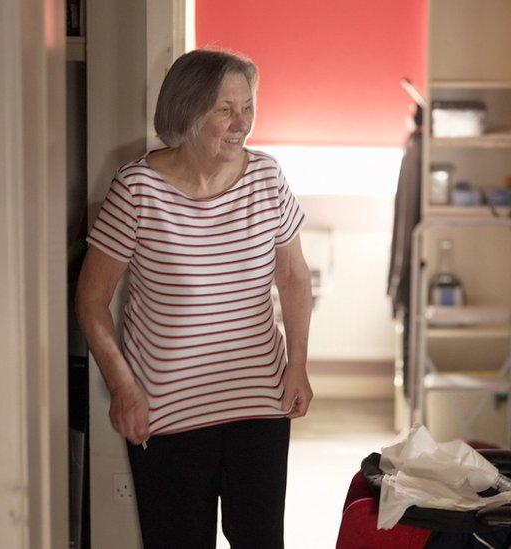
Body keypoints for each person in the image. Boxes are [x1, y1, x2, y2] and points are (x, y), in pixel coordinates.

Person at [76, 49, 313, 549]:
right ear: (186, 111)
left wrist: (298, 365)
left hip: (258, 403)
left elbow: (292, 277)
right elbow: (91, 300)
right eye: (224, 109)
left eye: (247, 107)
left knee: (262, 541)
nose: (241, 123)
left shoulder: (267, 178)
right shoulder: (137, 188)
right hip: (167, 411)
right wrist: (123, 387)